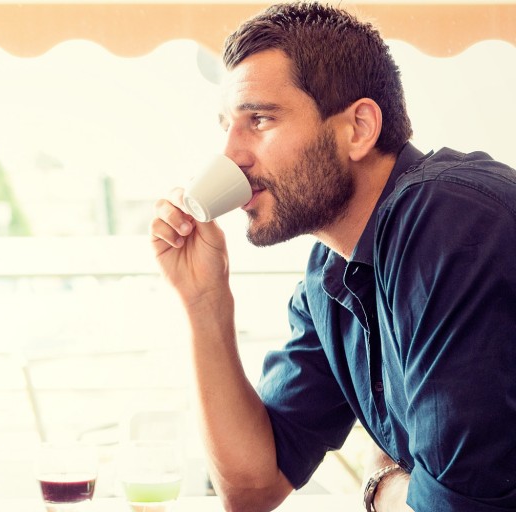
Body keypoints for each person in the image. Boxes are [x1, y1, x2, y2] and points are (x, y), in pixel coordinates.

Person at [150, 3, 516, 512]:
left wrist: (380, 486)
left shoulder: (450, 221)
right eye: (227, 127)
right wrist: (205, 301)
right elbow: (253, 488)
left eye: (259, 119)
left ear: (359, 128)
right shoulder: (333, 275)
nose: (230, 154)